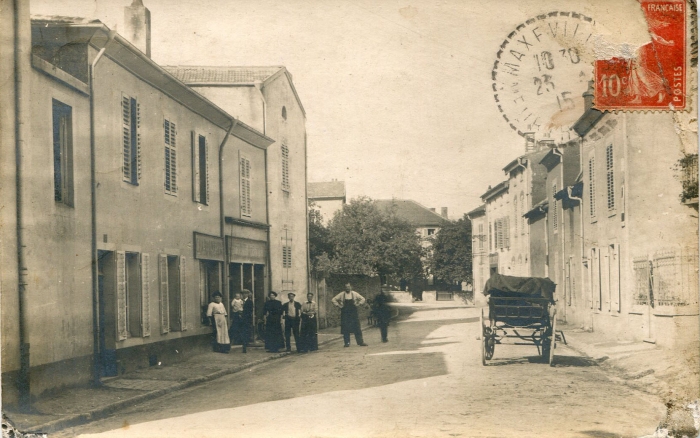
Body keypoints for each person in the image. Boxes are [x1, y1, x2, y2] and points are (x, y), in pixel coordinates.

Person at [332, 283, 368, 347]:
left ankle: (360, 342)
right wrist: (339, 305)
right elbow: (333, 299)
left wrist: (358, 304)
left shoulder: (354, 293)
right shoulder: (342, 294)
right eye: (346, 287)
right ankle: (347, 343)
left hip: (353, 313)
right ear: (344, 288)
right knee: (346, 328)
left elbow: (363, 299)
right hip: (345, 313)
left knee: (357, 327)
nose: (347, 288)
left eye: (348, 287)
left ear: (350, 287)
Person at [241, 289, 254, 353]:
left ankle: (245, 345)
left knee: (245, 331)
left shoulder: (249, 302)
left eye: (245, 294)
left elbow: (250, 311)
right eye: (243, 294)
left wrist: (243, 314)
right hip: (239, 319)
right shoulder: (240, 301)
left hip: (246, 319)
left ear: (247, 295)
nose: (244, 295)